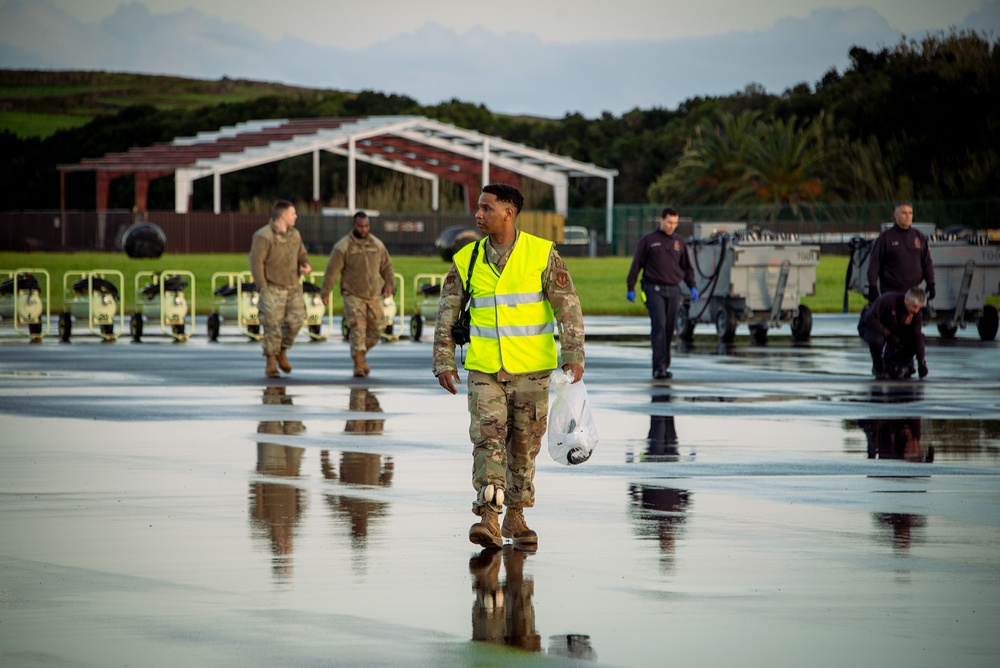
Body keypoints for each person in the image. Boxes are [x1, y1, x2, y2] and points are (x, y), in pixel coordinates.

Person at [433, 183, 585, 550]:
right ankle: (488, 516)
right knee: (488, 442)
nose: (478, 215)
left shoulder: (541, 253)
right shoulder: (466, 259)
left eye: (486, 208)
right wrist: (443, 359)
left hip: (532, 372)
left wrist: (573, 352)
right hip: (485, 370)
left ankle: (516, 514)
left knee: (523, 447)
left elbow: (568, 304)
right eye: (478, 208)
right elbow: (447, 312)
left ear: (508, 213)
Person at [626, 207, 698, 379]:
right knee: (659, 326)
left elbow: (687, 267)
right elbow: (636, 265)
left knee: (669, 329)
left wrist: (692, 286)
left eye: (675, 223)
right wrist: (631, 287)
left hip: (673, 290)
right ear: (661, 221)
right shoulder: (649, 241)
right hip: (654, 289)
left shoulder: (679, 242)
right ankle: (658, 367)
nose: (672, 226)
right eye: (669, 222)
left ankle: (665, 366)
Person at [320, 211, 395, 377]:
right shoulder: (343, 246)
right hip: (353, 294)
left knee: (378, 327)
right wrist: (325, 292)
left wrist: (390, 284)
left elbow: (387, 266)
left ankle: (359, 356)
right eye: (360, 226)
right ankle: (359, 365)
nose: (364, 229)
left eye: (366, 226)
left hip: (374, 294)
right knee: (358, 329)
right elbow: (331, 271)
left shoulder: (377, 245)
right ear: (354, 226)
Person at [249, 200, 312, 378]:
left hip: (293, 287)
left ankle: (282, 350)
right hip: (272, 288)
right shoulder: (264, 236)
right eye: (293, 214)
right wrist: (262, 287)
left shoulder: (295, 235)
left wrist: (305, 265)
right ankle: (271, 364)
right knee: (272, 327)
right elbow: (256, 262)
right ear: (283, 216)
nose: (296, 217)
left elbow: (302, 254)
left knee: (296, 320)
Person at [866, 201, 935, 303]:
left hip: (913, 291)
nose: (908, 216)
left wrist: (931, 283)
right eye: (904, 213)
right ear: (895, 215)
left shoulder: (919, 237)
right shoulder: (886, 237)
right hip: (891, 291)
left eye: (910, 213)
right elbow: (875, 263)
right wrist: (872, 285)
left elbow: (927, 262)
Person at [858, 287, 929, 380]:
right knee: (878, 340)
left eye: (919, 308)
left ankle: (892, 363)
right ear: (906, 300)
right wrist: (887, 335)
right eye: (914, 307)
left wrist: (921, 362)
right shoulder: (888, 300)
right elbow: (870, 318)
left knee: (919, 339)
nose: (916, 310)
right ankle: (878, 365)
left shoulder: (916, 314)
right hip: (871, 326)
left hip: (893, 328)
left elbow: (917, 336)